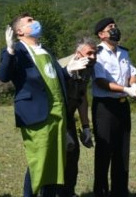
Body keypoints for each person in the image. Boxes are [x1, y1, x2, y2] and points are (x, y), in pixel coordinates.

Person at [0, 13, 87, 197]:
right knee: (39, 160)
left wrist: (69, 69)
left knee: (55, 161)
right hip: (36, 112)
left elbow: (54, 76)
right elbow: (3, 75)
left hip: (58, 110)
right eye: (29, 21)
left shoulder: (44, 50)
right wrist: (9, 50)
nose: (35, 22)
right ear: (19, 31)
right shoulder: (17, 50)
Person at [91, 17, 136, 197]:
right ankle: (100, 191)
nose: (114, 29)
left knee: (122, 150)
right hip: (105, 107)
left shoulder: (123, 52)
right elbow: (100, 81)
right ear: (101, 34)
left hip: (123, 105)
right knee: (104, 151)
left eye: (115, 26)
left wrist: (134, 85)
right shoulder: (97, 54)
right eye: (110, 27)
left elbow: (132, 72)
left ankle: (120, 191)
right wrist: (126, 89)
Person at [57, 38, 98, 197]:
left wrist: (86, 127)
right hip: (55, 117)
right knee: (58, 157)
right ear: (77, 53)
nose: (93, 57)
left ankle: (68, 192)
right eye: (89, 53)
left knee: (73, 155)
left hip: (69, 116)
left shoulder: (86, 67)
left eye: (95, 53)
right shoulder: (62, 67)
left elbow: (81, 97)